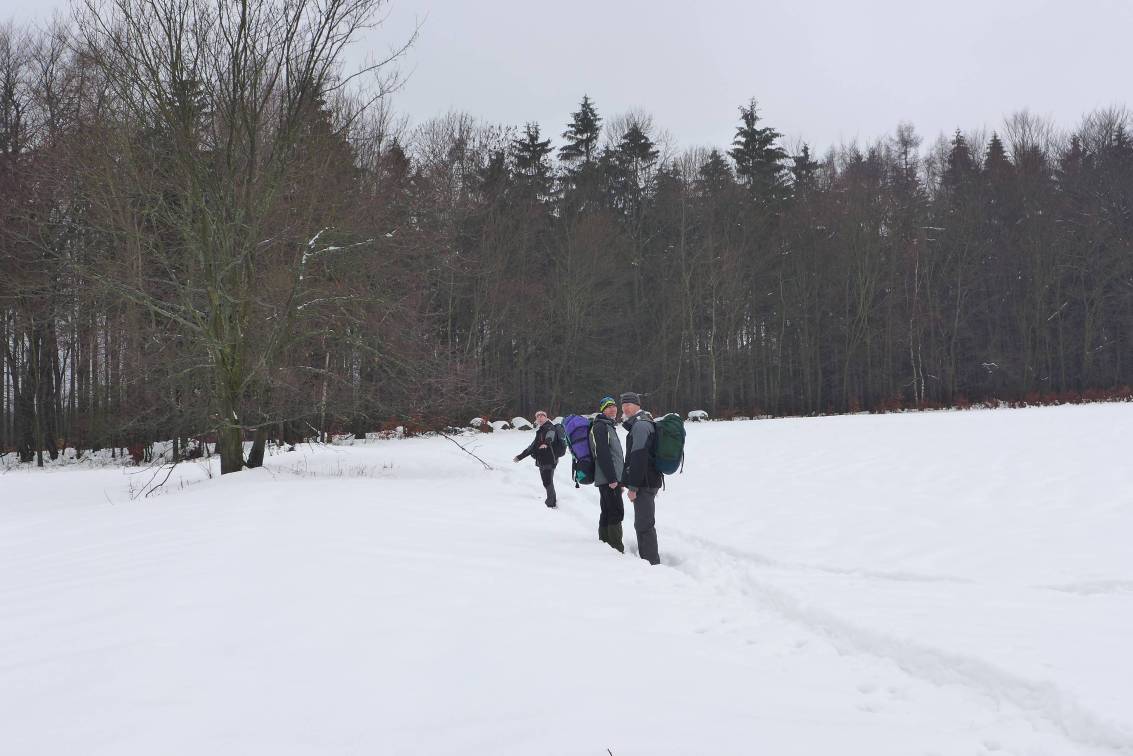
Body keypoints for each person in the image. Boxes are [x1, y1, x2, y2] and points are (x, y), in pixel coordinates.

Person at [620, 391, 663, 565]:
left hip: (644, 482)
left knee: (644, 524)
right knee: (643, 522)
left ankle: (651, 563)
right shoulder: (643, 422)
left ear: (637, 405)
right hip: (648, 480)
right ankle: (648, 559)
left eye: (629, 404)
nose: (625, 408)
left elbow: (638, 457)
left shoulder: (640, 425)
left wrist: (633, 487)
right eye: (623, 405)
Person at [590, 396, 625, 552]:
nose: (613, 409)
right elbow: (602, 453)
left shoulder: (608, 425)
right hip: (608, 478)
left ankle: (604, 542)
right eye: (608, 407)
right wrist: (612, 478)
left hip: (610, 478)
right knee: (616, 511)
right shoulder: (600, 427)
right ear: (602, 410)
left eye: (614, 406)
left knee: (607, 509)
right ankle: (616, 547)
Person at [513, 410, 559, 508]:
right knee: (546, 481)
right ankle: (551, 500)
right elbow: (532, 447)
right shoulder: (540, 431)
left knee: (547, 481)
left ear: (546, 417)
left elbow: (551, 435)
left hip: (549, 460)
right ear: (536, 420)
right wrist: (520, 457)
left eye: (542, 416)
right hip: (542, 461)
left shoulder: (549, 427)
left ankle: (551, 503)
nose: (540, 418)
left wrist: (546, 443)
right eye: (538, 417)